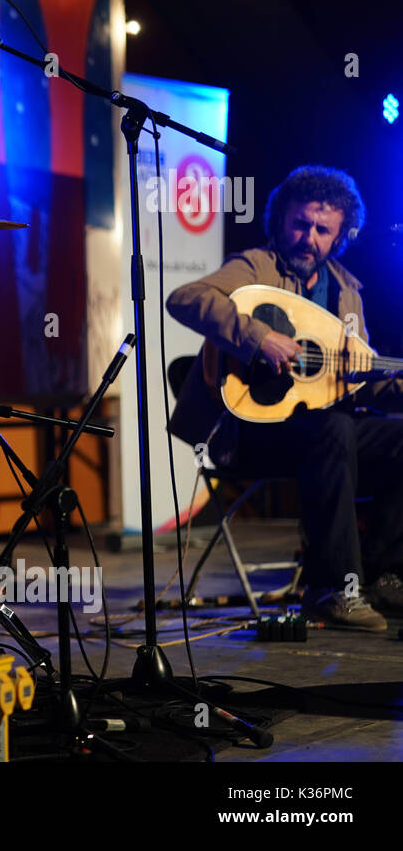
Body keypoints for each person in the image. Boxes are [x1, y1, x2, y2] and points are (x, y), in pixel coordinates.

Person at [166, 165, 403, 631]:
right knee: (333, 430)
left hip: (321, 433)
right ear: (281, 221)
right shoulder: (257, 266)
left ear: (339, 236)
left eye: (322, 229)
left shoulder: (347, 291)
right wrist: (257, 338)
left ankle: (381, 574)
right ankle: (331, 588)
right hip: (249, 433)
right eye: (300, 224)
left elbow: (359, 374)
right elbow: (186, 297)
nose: (308, 237)